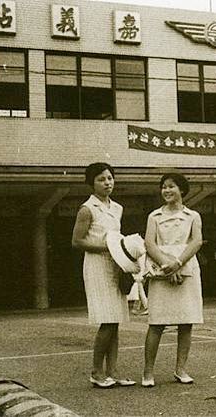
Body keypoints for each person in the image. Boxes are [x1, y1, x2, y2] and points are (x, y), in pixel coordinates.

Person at [71, 162, 135, 388]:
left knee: (115, 321)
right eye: (101, 179)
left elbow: (116, 239)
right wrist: (106, 247)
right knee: (107, 320)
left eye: (110, 178)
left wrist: (122, 251)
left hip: (116, 265)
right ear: (92, 183)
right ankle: (96, 372)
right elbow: (77, 241)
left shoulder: (117, 208)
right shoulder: (87, 209)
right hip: (97, 266)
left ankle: (113, 372)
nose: (107, 182)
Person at [142, 173, 203, 387]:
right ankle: (148, 372)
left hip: (186, 269)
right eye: (164, 187)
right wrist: (166, 266)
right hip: (161, 270)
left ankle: (181, 369)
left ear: (182, 190)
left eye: (171, 187)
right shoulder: (154, 216)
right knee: (157, 323)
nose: (167, 191)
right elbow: (150, 244)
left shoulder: (193, 215)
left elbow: (196, 242)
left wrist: (178, 263)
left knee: (186, 322)